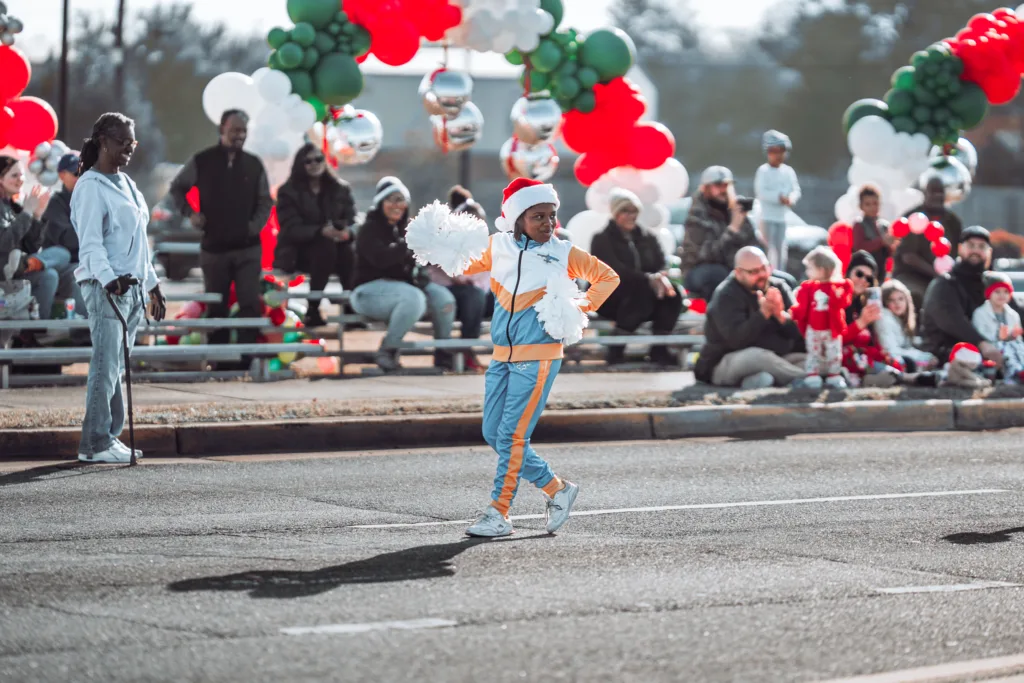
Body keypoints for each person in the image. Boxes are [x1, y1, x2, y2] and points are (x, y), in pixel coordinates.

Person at [411, 177, 619, 537]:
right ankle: (557, 489)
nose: (548, 224)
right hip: (501, 356)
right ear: (518, 217)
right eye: (539, 216)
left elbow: (607, 277)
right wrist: (440, 242)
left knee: (511, 435)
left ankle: (499, 512)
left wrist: (575, 308)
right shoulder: (499, 247)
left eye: (551, 215)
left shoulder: (564, 251)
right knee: (493, 433)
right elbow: (459, 264)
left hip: (539, 356)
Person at [70, 112, 167, 464]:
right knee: (105, 365)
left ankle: (109, 436)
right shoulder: (90, 187)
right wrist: (110, 279)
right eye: (123, 142)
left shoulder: (127, 183)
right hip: (105, 288)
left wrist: (153, 285)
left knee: (117, 366)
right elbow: (91, 245)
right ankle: (93, 443)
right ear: (102, 141)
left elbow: (140, 242)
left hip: (132, 289)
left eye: (133, 143)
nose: (129, 148)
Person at [168, 109, 272, 345]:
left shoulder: (254, 164)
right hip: (214, 248)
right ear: (221, 129)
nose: (240, 135)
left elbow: (265, 200)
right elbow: (177, 188)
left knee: (249, 305)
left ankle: (246, 361)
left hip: (248, 248)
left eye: (244, 131)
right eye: (235, 130)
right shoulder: (202, 160)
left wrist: (253, 227)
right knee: (216, 305)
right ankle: (219, 361)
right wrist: (190, 213)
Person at [351, 176, 457, 372]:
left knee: (444, 300)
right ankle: (387, 350)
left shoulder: (407, 228)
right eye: (390, 199)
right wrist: (408, 243)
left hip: (404, 290)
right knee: (414, 298)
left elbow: (417, 263)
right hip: (368, 292)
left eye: (400, 199)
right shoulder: (369, 229)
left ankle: (443, 354)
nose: (396, 205)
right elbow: (381, 259)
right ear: (380, 203)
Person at [590, 188, 683, 366]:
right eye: (625, 211)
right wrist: (648, 279)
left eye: (634, 211)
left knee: (673, 294)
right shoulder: (602, 239)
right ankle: (616, 349)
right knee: (644, 292)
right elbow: (613, 270)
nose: (630, 215)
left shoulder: (648, 237)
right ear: (616, 213)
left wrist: (659, 277)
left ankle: (659, 349)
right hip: (611, 296)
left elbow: (661, 262)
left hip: (644, 294)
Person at [693, 246, 805, 389]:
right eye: (754, 272)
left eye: (764, 268)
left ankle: (762, 381)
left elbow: (799, 333)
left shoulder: (778, 286)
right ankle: (806, 379)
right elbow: (737, 341)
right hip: (727, 362)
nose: (762, 275)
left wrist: (781, 316)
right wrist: (762, 314)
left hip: (777, 357)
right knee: (758, 357)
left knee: (809, 360)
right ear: (738, 273)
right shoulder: (726, 295)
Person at [274, 143, 356, 328]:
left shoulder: (340, 188)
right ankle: (313, 308)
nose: (314, 164)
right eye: (308, 161)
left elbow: (353, 220)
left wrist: (346, 232)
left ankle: (351, 307)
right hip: (298, 253)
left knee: (348, 252)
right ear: (300, 164)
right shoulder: (288, 191)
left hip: (336, 251)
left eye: (318, 159)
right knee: (324, 247)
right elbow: (290, 228)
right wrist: (320, 231)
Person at [919, 226, 1007, 368]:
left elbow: (1013, 310)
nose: (976, 251)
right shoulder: (945, 283)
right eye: (971, 245)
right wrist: (982, 344)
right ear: (960, 249)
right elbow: (951, 319)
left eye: (981, 247)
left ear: (989, 252)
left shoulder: (992, 284)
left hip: (990, 349)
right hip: (946, 351)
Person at [0, 155, 74, 323]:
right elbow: (4, 243)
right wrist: (27, 214)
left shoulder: (14, 207)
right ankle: (24, 265)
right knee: (60, 257)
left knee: (54, 268)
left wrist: (37, 217)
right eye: (14, 175)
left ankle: (35, 328)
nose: (20, 180)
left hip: (17, 271)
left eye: (21, 175)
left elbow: (31, 246)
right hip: (4, 271)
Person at [427, 185, 489, 372]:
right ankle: (464, 350)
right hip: (447, 291)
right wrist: (460, 277)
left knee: (507, 298)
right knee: (474, 296)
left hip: (476, 294)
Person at [680, 166, 762, 301]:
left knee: (780, 279)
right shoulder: (696, 216)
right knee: (720, 275)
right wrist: (732, 230)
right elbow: (706, 256)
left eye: (727, 185)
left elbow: (754, 246)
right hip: (698, 270)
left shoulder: (736, 211)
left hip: (735, 268)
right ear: (705, 188)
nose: (724, 190)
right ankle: (719, 319)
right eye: (718, 185)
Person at [893, 175, 963, 311]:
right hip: (912, 276)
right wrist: (936, 274)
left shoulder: (952, 221)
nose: (937, 195)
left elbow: (959, 250)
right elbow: (909, 257)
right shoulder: (913, 217)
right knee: (914, 296)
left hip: (945, 277)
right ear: (925, 193)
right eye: (933, 191)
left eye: (940, 191)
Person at [790, 246, 853, 389]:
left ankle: (834, 375)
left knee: (834, 352)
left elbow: (843, 303)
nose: (807, 272)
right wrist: (794, 313)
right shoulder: (808, 288)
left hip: (831, 328)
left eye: (810, 268)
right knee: (813, 352)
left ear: (822, 269)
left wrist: (838, 297)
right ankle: (813, 374)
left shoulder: (837, 287)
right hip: (813, 328)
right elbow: (802, 306)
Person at [754, 130, 801, 271]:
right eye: (774, 151)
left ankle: (780, 272)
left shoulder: (788, 171)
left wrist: (791, 199)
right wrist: (778, 197)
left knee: (781, 250)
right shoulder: (763, 171)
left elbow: (796, 190)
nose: (778, 155)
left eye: (781, 151)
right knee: (768, 249)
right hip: (767, 217)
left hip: (782, 218)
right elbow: (761, 192)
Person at [971, 272, 1024, 384]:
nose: (1002, 295)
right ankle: (1014, 373)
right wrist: (999, 337)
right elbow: (980, 336)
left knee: (1019, 347)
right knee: (1006, 349)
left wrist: (1013, 336)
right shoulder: (980, 313)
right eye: (997, 292)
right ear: (989, 293)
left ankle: (1020, 369)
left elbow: (1018, 338)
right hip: (993, 347)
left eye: (1005, 292)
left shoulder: (1013, 314)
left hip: (1011, 346)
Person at [876, 279, 938, 372]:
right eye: (891, 300)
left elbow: (907, 345)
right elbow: (891, 351)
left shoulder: (899, 319)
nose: (897, 303)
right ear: (885, 303)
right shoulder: (884, 319)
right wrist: (924, 357)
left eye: (901, 299)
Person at [851, 185, 896, 277]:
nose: (872, 207)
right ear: (861, 206)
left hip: (881, 270)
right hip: (864, 271)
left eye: (875, 203)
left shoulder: (884, 225)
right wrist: (881, 241)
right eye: (868, 204)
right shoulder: (859, 224)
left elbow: (890, 252)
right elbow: (859, 247)